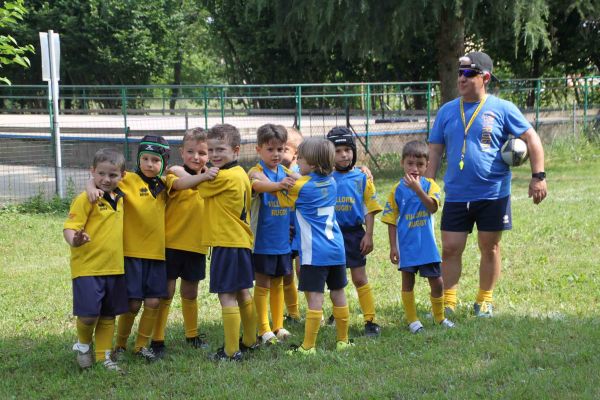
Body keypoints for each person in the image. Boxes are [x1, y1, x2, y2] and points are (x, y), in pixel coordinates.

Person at [426, 51, 548, 317]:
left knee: (489, 246)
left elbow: (531, 138)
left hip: (493, 193)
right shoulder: (447, 111)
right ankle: (448, 301)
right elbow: (434, 150)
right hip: (457, 194)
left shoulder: (503, 109)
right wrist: (428, 184)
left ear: (485, 77)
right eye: (460, 72)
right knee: (449, 248)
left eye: (468, 73)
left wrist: (538, 176)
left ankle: (484, 300)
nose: (461, 77)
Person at [86, 135, 215, 362]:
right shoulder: (127, 180)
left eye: (155, 160)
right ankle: (121, 344)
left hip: (157, 254)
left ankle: (141, 346)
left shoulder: (165, 183)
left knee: (155, 301)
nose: (149, 164)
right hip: (132, 254)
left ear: (163, 162)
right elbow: (101, 180)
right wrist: (89, 185)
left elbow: (183, 183)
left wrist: (204, 176)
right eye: (145, 158)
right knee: (133, 303)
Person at [276, 137, 354, 354]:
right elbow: (301, 177)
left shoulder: (300, 186)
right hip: (337, 249)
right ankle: (343, 340)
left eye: (299, 158)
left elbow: (282, 195)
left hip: (314, 252)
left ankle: (308, 346)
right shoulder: (332, 182)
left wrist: (268, 174)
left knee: (315, 297)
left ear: (311, 163)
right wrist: (294, 174)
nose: (296, 161)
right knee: (338, 292)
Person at [149, 128, 214, 358]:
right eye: (190, 152)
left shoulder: (211, 178)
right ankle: (157, 340)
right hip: (171, 245)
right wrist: (204, 175)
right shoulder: (174, 176)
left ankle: (192, 335)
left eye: (203, 153)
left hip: (197, 246)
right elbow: (181, 184)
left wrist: (207, 175)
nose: (196, 157)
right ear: (181, 152)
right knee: (166, 293)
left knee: (190, 293)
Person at [196, 123, 258, 361]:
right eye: (210, 151)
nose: (213, 156)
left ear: (236, 150)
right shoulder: (241, 173)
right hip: (241, 241)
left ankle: (232, 351)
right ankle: (250, 340)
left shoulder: (223, 176)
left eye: (220, 149)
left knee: (227, 295)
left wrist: (201, 173)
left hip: (226, 242)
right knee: (243, 291)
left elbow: (198, 189)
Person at [65, 148, 128, 372]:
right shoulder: (85, 198)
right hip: (88, 267)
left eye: (112, 175)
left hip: (114, 267)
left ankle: (103, 356)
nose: (106, 179)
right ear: (92, 171)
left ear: (122, 176)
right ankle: (83, 346)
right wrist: (76, 240)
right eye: (101, 174)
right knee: (90, 315)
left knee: (109, 315)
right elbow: (69, 228)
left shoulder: (121, 196)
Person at [382, 141, 455, 333]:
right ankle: (413, 321)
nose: (415, 169)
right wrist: (393, 247)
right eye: (410, 164)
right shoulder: (396, 190)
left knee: (437, 282)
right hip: (406, 246)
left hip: (427, 246)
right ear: (402, 163)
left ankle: (440, 317)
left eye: (420, 164)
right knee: (408, 282)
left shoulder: (431, 186)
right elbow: (390, 220)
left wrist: (417, 190)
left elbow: (432, 206)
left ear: (427, 165)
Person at [326, 127, 383, 337]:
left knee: (359, 278)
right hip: (331, 235)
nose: (343, 155)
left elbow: (369, 207)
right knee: (335, 280)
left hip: (354, 234)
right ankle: (337, 312)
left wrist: (368, 234)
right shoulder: (324, 177)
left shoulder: (361, 178)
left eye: (347, 150)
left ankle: (370, 319)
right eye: (338, 150)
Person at [247, 124, 297, 344]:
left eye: (280, 149)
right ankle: (263, 329)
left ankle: (278, 326)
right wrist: (279, 184)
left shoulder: (287, 173)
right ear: (259, 149)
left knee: (278, 282)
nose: (276, 154)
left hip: (282, 242)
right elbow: (258, 185)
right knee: (263, 283)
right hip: (261, 242)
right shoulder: (255, 171)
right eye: (270, 149)